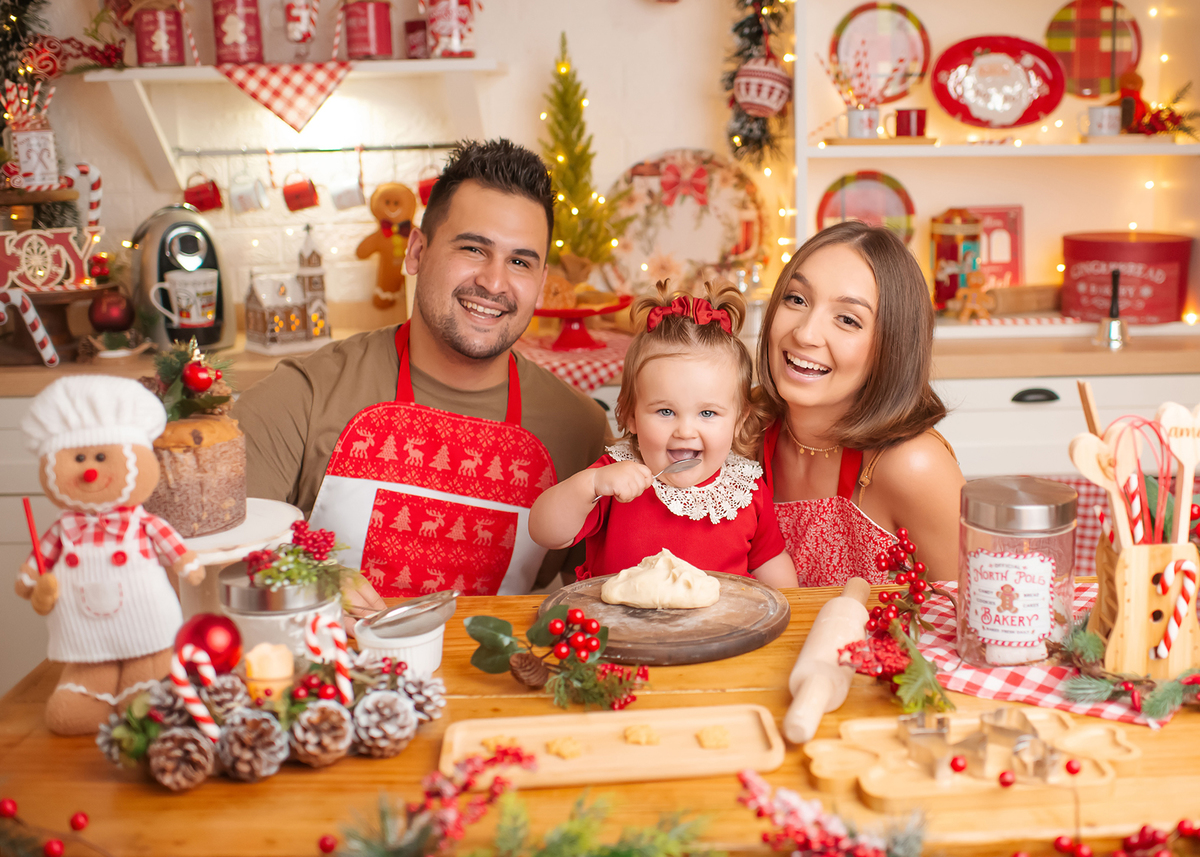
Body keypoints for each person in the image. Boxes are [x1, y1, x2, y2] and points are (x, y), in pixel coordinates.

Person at [232, 139, 609, 598]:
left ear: (542, 284)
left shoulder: (580, 430)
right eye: (472, 248)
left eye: (519, 261)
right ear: (416, 252)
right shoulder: (304, 397)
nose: (493, 282)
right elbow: (210, 554)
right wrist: (311, 582)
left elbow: (608, 597)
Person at [530, 281, 798, 588]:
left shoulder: (745, 490)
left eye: (707, 413)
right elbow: (544, 531)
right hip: (625, 632)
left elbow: (770, 562)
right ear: (630, 415)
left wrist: (789, 611)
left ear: (739, 420)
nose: (685, 431)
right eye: (665, 412)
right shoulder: (615, 478)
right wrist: (590, 485)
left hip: (724, 632)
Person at [756, 221, 964, 585]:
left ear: (891, 347)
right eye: (797, 299)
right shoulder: (741, 431)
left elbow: (975, 617)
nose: (805, 333)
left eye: (848, 319)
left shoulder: (914, 466)